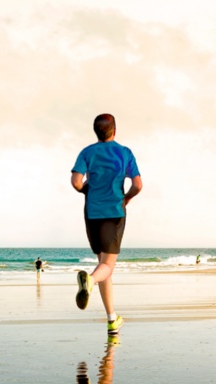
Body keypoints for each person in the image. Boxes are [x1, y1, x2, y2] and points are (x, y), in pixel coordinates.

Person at [71, 113, 142, 335]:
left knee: (103, 265)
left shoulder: (87, 152)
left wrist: (87, 190)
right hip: (114, 212)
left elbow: (76, 182)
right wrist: (127, 198)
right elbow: (138, 185)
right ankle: (89, 280)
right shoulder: (125, 153)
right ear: (115, 130)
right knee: (107, 266)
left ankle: (112, 318)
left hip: (92, 212)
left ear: (96, 131)